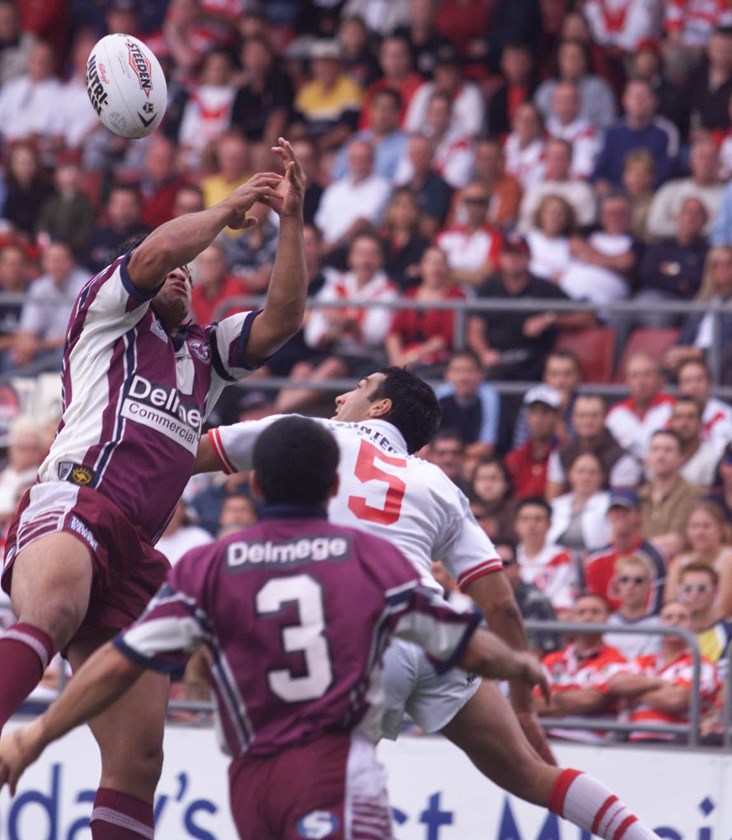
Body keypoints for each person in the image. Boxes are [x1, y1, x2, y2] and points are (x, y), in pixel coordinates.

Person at [0, 415, 552, 838]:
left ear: (257, 489)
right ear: (332, 488)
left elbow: (121, 659)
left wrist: (36, 734)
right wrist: (518, 666)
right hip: (332, 772)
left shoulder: (211, 564)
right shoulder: (367, 560)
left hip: (251, 783)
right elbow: (465, 641)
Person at [196, 367, 665, 840]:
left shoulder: (311, 436)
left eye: (358, 388)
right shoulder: (437, 482)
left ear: (381, 407)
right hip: (432, 634)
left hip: (353, 636)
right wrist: (522, 707)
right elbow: (500, 606)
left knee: (316, 787)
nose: (341, 396)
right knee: (530, 773)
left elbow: (191, 453)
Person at [0, 139, 308, 840]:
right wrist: (229, 206)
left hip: (136, 550)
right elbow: (147, 259)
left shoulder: (206, 355)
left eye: (187, 270)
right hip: (75, 501)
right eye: (171, 261)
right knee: (51, 610)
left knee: (140, 758)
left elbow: (284, 320)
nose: (178, 272)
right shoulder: (107, 314)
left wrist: (291, 222)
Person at [608, 601, 720, 743]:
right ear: (660, 625)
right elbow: (615, 684)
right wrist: (658, 683)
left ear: (693, 626)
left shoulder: (703, 664)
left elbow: (676, 700)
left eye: (682, 617)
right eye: (668, 617)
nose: (674, 622)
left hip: (677, 744)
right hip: (634, 741)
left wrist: (636, 692)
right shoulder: (643, 661)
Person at [533, 593, 627, 743]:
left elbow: (590, 701)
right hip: (546, 738)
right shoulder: (552, 660)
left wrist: (554, 696)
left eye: (595, 612)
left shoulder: (616, 660)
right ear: (572, 618)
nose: (588, 617)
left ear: (607, 618)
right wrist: (573, 702)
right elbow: (533, 703)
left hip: (590, 741)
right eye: (581, 612)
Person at [584, 487, 668, 615]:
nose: (619, 515)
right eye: (615, 510)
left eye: (626, 510)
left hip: (644, 626)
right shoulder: (595, 559)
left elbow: (655, 606)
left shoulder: (653, 556)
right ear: (608, 516)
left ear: (639, 515)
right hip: (603, 627)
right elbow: (590, 603)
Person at [513, 496, 578, 619]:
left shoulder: (562, 557)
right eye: (525, 519)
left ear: (549, 524)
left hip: (549, 621)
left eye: (538, 519)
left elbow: (564, 602)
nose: (531, 525)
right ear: (516, 525)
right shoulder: (509, 558)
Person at [603, 553, 662, 661]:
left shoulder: (659, 626)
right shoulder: (605, 624)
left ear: (649, 586)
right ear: (617, 584)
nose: (630, 586)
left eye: (638, 581)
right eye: (624, 580)